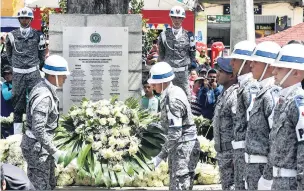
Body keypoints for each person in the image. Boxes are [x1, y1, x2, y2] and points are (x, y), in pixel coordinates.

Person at [148, 62, 200, 190]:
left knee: (179, 186)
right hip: (180, 148)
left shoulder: (173, 99)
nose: (152, 87)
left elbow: (175, 132)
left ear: (163, 82)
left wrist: (160, 156)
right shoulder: (171, 92)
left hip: (183, 149)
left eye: (154, 83)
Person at [20, 55, 69, 190]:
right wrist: (54, 151)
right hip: (37, 149)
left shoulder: (44, 88)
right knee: (40, 187)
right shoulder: (44, 97)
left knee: (50, 184)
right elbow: (39, 129)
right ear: (53, 76)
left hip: (41, 148)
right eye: (63, 75)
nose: (65, 78)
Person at [244, 41, 281, 190]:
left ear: (269, 66)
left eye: (256, 62)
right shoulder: (262, 91)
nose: (250, 65)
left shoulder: (272, 93)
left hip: (263, 167)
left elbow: (276, 139)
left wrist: (267, 177)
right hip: (253, 166)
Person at [267, 44, 304, 190]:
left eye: (280, 68)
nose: (274, 71)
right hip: (279, 181)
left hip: (292, 184)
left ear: (296, 73)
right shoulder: (283, 101)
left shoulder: (298, 102)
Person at [5, 7, 46, 134]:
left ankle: (35, 133)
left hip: (33, 73)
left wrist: (34, 65)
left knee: (37, 101)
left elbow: (42, 54)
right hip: (18, 75)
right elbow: (9, 55)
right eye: (22, 18)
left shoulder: (38, 35)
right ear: (18, 19)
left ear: (31, 19)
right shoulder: (11, 36)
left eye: (27, 18)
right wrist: (18, 67)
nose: (24, 20)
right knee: (18, 104)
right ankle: (16, 137)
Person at [229, 40, 260, 190]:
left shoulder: (250, 88)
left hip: (246, 152)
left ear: (247, 62)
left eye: (235, 59)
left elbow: (252, 125)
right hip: (241, 151)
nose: (231, 63)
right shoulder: (243, 86)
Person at [158, 6, 196, 101]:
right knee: (166, 98)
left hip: (183, 74)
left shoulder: (189, 36)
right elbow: (161, 55)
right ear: (171, 18)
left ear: (183, 19)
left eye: (179, 18)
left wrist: (192, 70)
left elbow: (193, 55)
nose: (177, 20)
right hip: (168, 73)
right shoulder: (163, 35)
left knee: (186, 99)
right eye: (174, 17)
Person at [213, 57, 238, 190]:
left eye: (221, 71)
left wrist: (236, 156)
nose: (217, 74)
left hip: (230, 154)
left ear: (232, 75)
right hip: (224, 154)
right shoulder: (224, 93)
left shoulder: (234, 95)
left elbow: (238, 127)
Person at [1, 66, 14, 138]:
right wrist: (16, 88)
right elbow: (6, 96)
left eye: (9, 74)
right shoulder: (4, 85)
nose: (7, 76)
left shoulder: (19, 82)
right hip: (9, 112)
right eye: (5, 74)